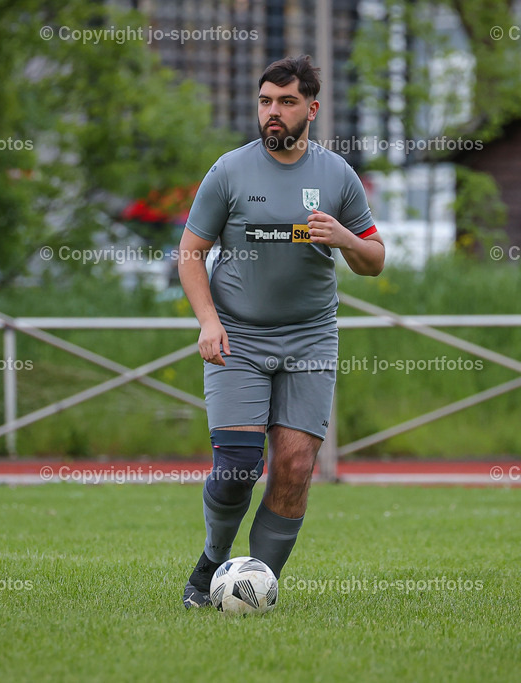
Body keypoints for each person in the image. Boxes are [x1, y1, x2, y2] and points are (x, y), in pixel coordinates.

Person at [178, 55, 384, 608]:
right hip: (238, 337)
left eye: (287, 102)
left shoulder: (338, 176)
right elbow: (191, 253)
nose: (273, 112)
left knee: (294, 467)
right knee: (239, 468)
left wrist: (345, 238)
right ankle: (211, 564)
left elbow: (375, 260)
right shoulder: (228, 171)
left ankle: (253, 587)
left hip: (311, 337)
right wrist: (207, 321)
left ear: (311, 108)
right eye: (266, 100)